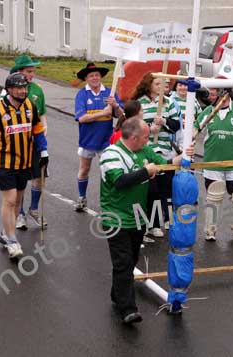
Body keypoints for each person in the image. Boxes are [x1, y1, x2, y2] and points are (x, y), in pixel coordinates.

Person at [99, 118, 194, 324]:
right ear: (133, 137)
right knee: (123, 263)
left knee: (131, 261)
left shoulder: (145, 151)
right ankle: (128, 309)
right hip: (116, 218)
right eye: (145, 137)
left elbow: (163, 165)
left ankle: (117, 294)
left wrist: (182, 157)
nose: (147, 140)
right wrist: (146, 172)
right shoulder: (111, 154)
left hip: (138, 217)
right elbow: (120, 181)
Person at [0, 73, 49, 259]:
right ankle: (12, 240)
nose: (22, 91)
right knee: (9, 200)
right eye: (19, 88)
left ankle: (5, 234)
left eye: (25, 87)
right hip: (5, 162)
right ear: (9, 89)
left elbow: (37, 130)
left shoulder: (30, 106)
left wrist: (44, 152)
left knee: (18, 201)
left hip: (24, 161)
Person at [193, 87, 233, 241]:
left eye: (214, 91)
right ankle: (210, 229)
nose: (211, 94)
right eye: (211, 91)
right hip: (212, 163)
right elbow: (196, 128)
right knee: (214, 196)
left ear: (225, 93)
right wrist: (191, 139)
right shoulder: (208, 111)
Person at [131, 72, 180, 239]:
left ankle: (155, 223)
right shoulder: (140, 103)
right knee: (148, 190)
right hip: (147, 150)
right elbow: (132, 124)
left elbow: (176, 125)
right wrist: (150, 128)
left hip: (165, 150)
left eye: (163, 84)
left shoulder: (169, 103)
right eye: (157, 84)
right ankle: (141, 224)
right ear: (149, 85)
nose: (161, 87)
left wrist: (165, 121)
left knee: (162, 190)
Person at [6, 55, 49, 230]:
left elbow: (43, 113)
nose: (32, 74)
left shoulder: (37, 90)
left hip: (37, 142)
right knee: (21, 180)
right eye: (29, 71)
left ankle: (33, 209)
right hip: (19, 144)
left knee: (39, 178)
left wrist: (45, 126)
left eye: (33, 71)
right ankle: (20, 213)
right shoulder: (8, 92)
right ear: (19, 72)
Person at [73, 63, 123, 211]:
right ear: (86, 78)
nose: (94, 78)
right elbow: (81, 118)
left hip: (106, 141)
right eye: (91, 76)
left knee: (107, 172)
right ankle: (82, 198)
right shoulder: (82, 94)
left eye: (97, 75)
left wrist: (116, 106)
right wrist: (103, 113)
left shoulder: (109, 93)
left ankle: (107, 202)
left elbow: (122, 117)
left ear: (101, 77)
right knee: (84, 169)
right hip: (87, 140)